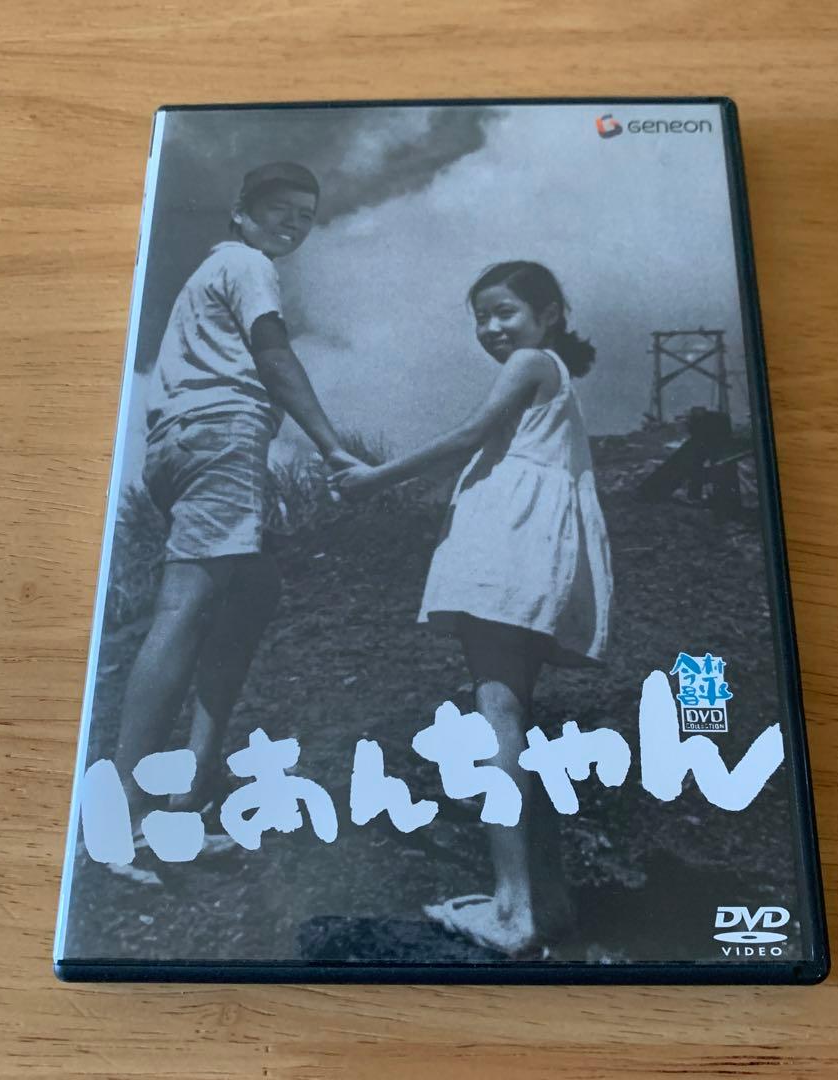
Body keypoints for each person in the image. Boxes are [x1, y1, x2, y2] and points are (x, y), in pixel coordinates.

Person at [334, 261, 613, 954]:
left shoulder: (530, 363)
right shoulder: (554, 378)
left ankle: (512, 910)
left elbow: (466, 435)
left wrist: (374, 479)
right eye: (480, 317)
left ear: (549, 314)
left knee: (496, 717)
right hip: (531, 546)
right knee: (511, 714)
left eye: (504, 311)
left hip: (507, 545)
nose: (491, 328)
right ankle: (545, 899)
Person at [111, 162, 360, 873]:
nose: (293, 224)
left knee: (255, 588)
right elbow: (273, 355)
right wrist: (332, 446)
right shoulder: (249, 266)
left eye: (305, 215)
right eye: (280, 208)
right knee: (187, 604)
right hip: (223, 433)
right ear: (241, 211)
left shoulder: (208, 274)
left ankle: (191, 781)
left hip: (179, 445)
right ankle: (127, 813)